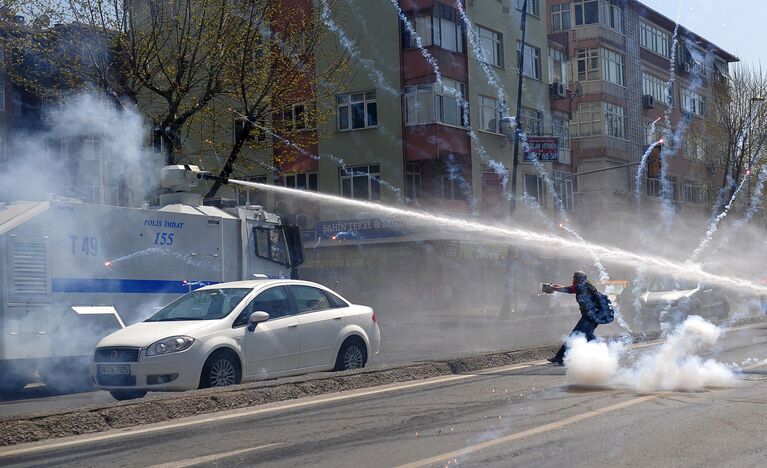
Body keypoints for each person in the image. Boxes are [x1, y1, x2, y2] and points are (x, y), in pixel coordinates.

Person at [543, 271, 601, 365]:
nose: (573, 280)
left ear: (579, 279)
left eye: (575, 278)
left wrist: (552, 288)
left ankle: (560, 357)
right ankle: (560, 357)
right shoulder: (584, 285)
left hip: (591, 316)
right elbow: (569, 288)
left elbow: (568, 289)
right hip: (590, 315)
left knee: (577, 336)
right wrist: (554, 286)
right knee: (583, 335)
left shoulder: (581, 286)